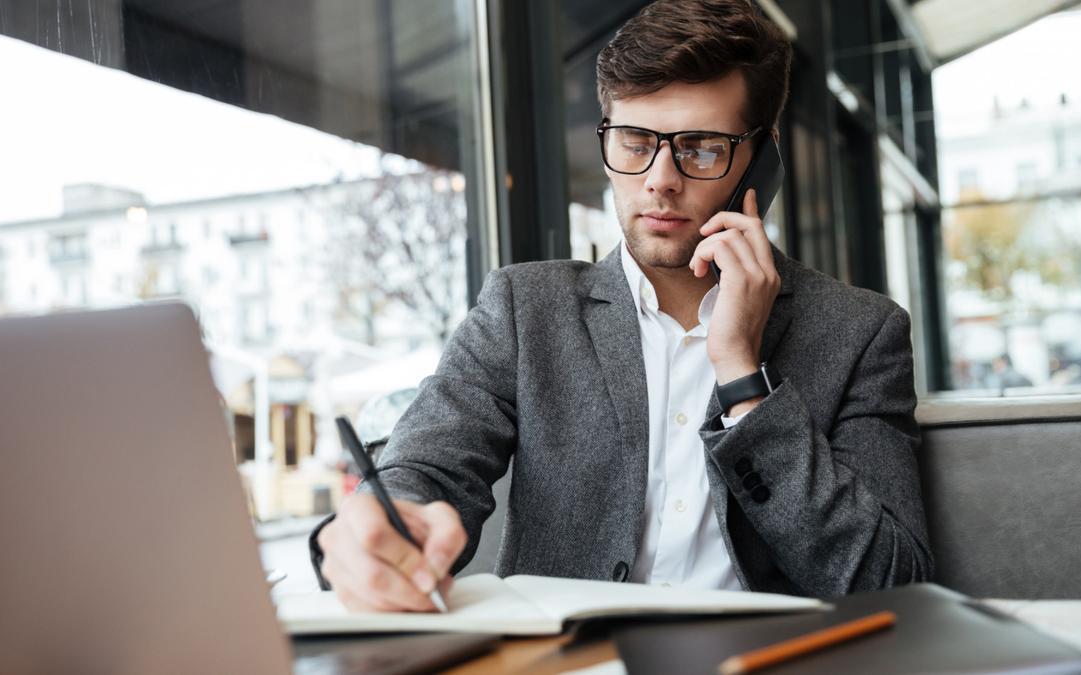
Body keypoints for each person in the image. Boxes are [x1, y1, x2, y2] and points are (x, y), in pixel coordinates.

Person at [310, 0, 932, 612]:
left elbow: (890, 582)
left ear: (761, 161)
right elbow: (426, 470)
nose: (660, 178)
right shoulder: (526, 310)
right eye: (635, 142)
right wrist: (376, 528)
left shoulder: (860, 332)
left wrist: (745, 379)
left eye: (701, 146)